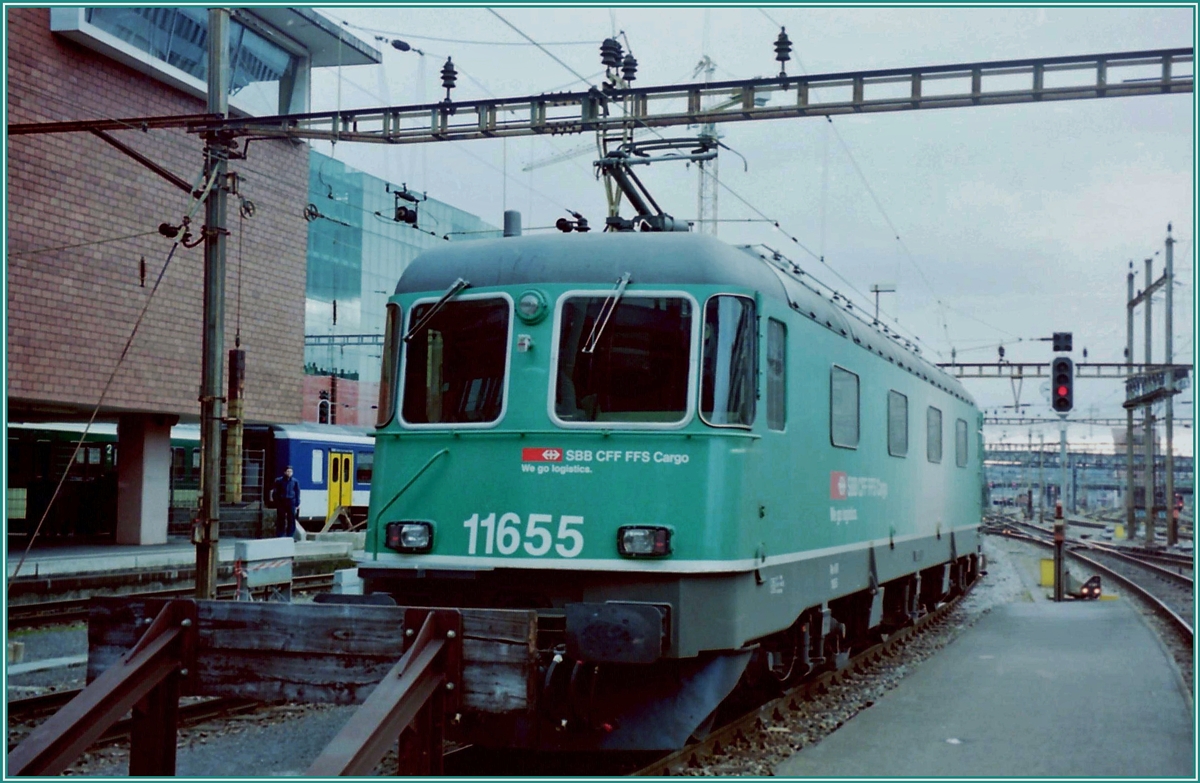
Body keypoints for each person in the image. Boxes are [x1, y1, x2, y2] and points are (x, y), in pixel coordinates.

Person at [271, 466, 300, 539]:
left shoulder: (295, 481)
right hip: (281, 501)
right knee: (281, 518)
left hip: (291, 502)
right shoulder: (279, 481)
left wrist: (297, 503)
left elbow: (297, 493)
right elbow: (275, 492)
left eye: (291, 471)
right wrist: (276, 501)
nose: (289, 473)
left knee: (291, 519)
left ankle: (290, 535)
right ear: (284, 472)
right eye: (288, 471)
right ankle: (280, 534)